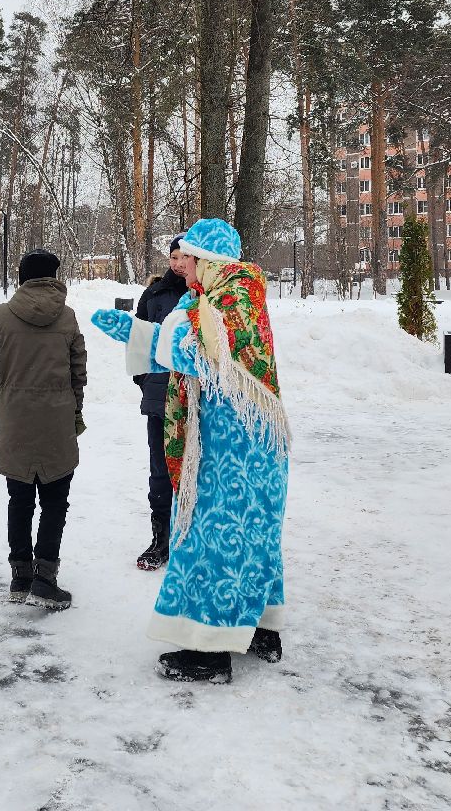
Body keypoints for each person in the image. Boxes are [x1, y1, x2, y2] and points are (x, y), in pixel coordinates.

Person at [92, 218, 289, 685]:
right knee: (254, 537)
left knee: (217, 537)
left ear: (208, 260)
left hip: (237, 450)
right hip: (243, 443)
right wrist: (145, 334)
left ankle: (210, 650)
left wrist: (137, 335)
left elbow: (203, 355)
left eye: (191, 259)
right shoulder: (226, 294)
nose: (184, 268)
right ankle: (259, 628)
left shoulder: (232, 299)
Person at [0, 249, 88, 611]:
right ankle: (45, 579)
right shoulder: (68, 317)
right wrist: (77, 412)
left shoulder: (0, 315)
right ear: (54, 276)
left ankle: (20, 575)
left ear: (22, 277)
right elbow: (78, 372)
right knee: (56, 502)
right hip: (57, 419)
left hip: (15, 419)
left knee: (20, 500)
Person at [131, 235, 189, 571]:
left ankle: (190, 538)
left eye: (184, 257)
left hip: (196, 397)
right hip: (159, 396)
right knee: (161, 468)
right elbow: (138, 346)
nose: (179, 264)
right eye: (173, 257)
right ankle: (160, 540)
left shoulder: (203, 295)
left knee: (195, 467)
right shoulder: (153, 295)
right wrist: (147, 382)